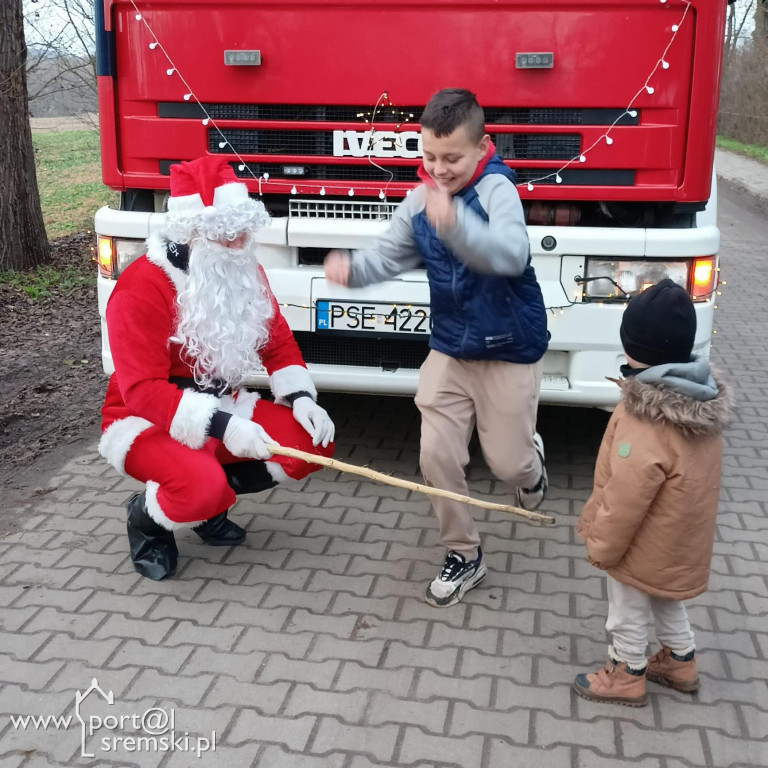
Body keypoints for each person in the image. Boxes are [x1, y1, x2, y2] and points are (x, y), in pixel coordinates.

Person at [324, 88, 549, 608]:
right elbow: (390, 255)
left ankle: (531, 465)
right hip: (450, 347)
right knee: (435, 456)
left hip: (510, 346)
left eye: (451, 158)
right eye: (428, 157)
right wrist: (351, 271)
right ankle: (463, 553)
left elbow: (512, 255)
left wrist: (459, 226)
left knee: (509, 466)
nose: (439, 169)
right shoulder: (420, 200)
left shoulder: (497, 191)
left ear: (482, 147)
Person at [99, 155, 335, 580]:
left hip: (222, 404)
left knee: (310, 446)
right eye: (226, 234)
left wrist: (301, 397)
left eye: (243, 231)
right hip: (146, 418)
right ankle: (147, 520)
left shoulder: (241, 267)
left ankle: (210, 499)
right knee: (201, 488)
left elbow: (277, 340)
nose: (239, 243)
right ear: (189, 233)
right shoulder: (141, 287)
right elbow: (142, 391)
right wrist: (225, 427)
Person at [573, 279, 731, 706]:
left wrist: (602, 544)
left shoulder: (647, 419)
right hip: (678, 540)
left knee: (626, 606)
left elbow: (626, 497)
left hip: (639, 541)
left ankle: (626, 672)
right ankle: (681, 660)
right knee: (666, 597)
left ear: (632, 346)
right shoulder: (698, 402)